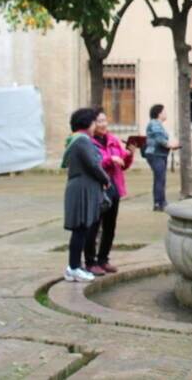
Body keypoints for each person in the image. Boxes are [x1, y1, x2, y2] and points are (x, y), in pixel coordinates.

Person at [85, 109, 137, 275]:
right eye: (99, 121)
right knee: (94, 226)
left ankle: (103, 259)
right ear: (92, 124)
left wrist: (129, 154)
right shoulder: (88, 142)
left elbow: (123, 165)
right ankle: (90, 262)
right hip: (98, 188)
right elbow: (94, 163)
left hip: (114, 187)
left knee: (110, 226)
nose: (103, 124)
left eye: (104, 120)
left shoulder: (113, 140)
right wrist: (109, 159)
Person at [62, 107, 111, 283]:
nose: (94, 126)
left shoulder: (76, 140)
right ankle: (73, 268)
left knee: (80, 229)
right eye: (93, 122)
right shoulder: (82, 141)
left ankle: (74, 267)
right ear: (87, 124)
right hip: (81, 189)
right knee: (80, 229)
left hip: (80, 187)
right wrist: (106, 179)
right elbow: (93, 165)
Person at [145, 104, 179, 211]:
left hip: (160, 154)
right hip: (155, 155)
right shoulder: (154, 123)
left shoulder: (158, 124)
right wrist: (170, 145)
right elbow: (159, 139)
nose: (166, 113)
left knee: (160, 179)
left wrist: (172, 145)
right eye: (164, 111)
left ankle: (160, 202)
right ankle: (159, 203)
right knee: (160, 179)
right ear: (159, 113)